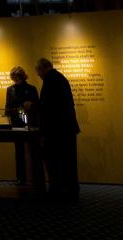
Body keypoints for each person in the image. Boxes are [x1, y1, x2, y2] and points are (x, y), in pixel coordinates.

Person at [35, 57, 80, 201]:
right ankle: (70, 190)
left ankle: (59, 191)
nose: (38, 75)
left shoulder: (50, 81)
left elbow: (48, 107)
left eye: (38, 71)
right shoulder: (59, 78)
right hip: (66, 127)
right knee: (68, 161)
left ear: (42, 68)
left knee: (55, 161)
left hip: (57, 130)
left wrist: (33, 106)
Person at [4, 65, 39, 184]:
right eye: (13, 77)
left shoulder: (32, 88)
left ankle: (35, 177)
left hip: (30, 122)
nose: (15, 79)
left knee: (33, 150)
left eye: (16, 77)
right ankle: (21, 178)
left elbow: (37, 107)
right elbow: (7, 108)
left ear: (22, 76)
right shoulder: (10, 89)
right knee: (19, 150)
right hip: (16, 123)